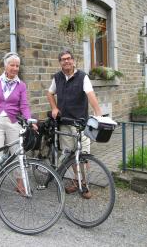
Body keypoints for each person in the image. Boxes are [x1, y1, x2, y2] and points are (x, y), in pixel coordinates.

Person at [47, 50, 102, 199]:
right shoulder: (57, 77)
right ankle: (76, 181)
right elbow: (50, 93)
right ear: (60, 62)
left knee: (83, 155)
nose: (66, 61)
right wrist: (54, 107)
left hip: (80, 123)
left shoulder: (83, 77)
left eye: (69, 59)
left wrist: (99, 114)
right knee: (70, 155)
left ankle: (85, 184)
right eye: (63, 59)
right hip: (64, 122)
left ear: (73, 61)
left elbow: (91, 95)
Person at [0, 51, 37, 199]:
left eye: (17, 66)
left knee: (18, 153)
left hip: (14, 122)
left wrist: (29, 120)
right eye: (12, 65)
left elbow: (24, 106)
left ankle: (20, 183)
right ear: (5, 66)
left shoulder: (21, 85)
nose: (15, 68)